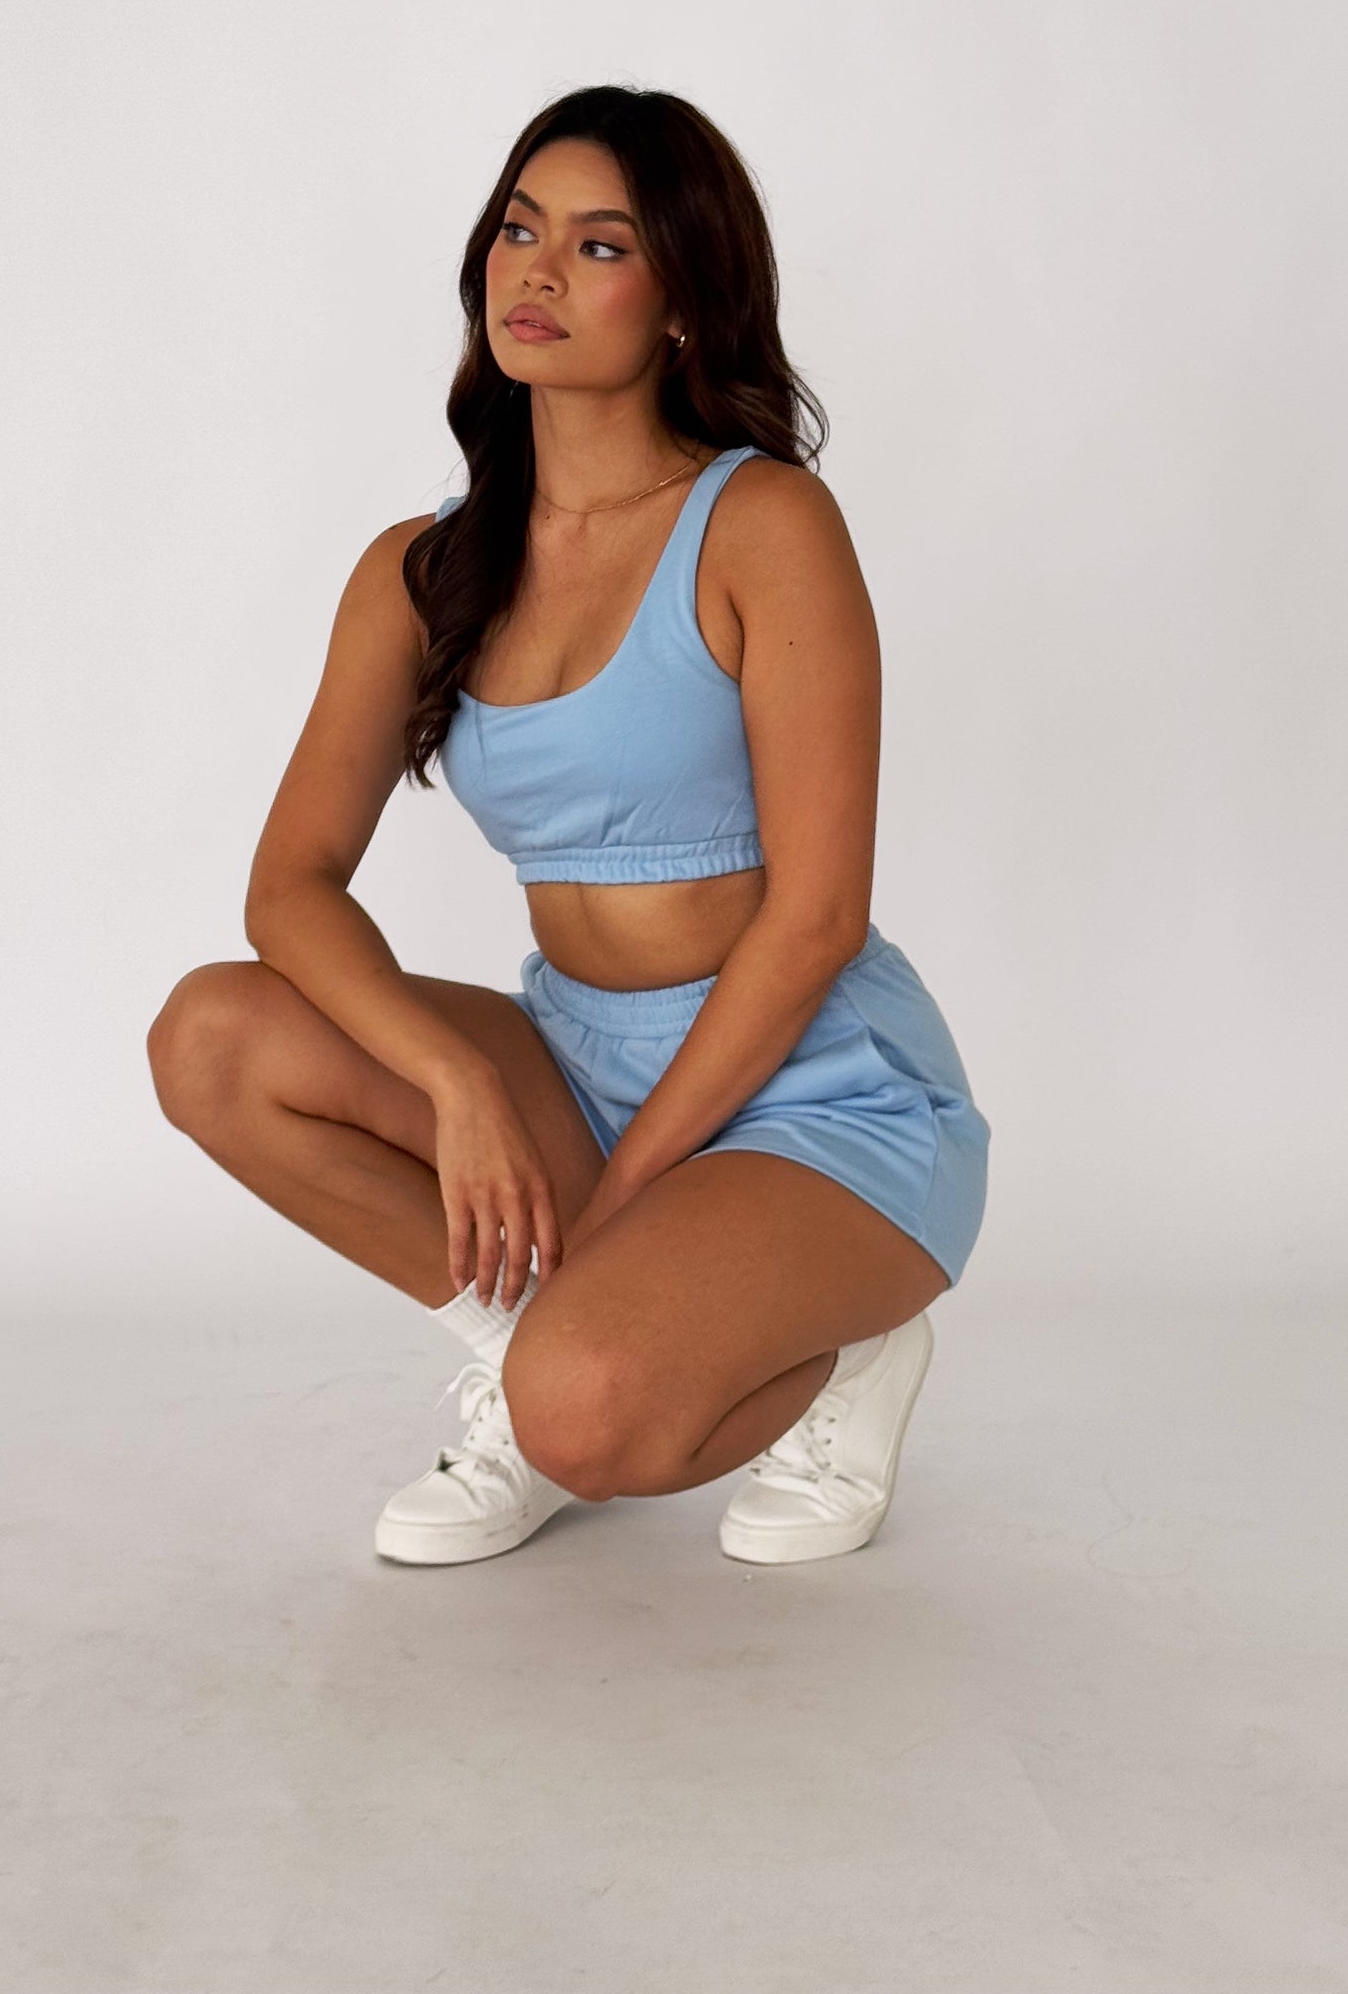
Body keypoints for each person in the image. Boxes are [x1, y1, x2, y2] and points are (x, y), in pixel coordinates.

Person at [147, 84, 990, 1569]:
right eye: (518, 231)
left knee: (588, 1416)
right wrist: (459, 1082)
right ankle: (540, 1352)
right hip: (578, 1062)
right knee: (214, 1038)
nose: (536, 272)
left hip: (812, 1093)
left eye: (601, 246)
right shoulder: (422, 573)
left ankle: (847, 1352)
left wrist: (621, 1203)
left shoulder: (762, 524)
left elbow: (816, 922)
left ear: (684, 303)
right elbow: (290, 888)